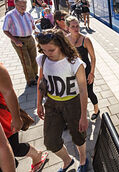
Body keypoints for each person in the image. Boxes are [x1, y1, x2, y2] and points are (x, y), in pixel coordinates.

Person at [36, 29, 89, 172]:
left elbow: (83, 90)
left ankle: (83, 159)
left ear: (61, 45)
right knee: (50, 142)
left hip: (72, 103)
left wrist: (83, 116)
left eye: (51, 50)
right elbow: (41, 81)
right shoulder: (43, 59)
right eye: (43, 50)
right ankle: (68, 161)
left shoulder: (74, 63)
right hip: (52, 104)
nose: (47, 53)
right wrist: (39, 103)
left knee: (78, 136)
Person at [0, 63, 48, 172]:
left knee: (13, 148)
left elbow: (9, 92)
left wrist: (16, 118)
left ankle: (37, 155)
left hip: (4, 119)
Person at [66, 16, 100, 120]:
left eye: (77, 26)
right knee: (77, 93)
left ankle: (96, 110)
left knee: (89, 92)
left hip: (86, 71)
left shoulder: (86, 40)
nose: (76, 28)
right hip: (73, 72)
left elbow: (93, 58)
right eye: (73, 26)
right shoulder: (66, 39)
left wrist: (92, 73)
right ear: (68, 28)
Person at [3, 0, 38, 87]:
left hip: (30, 38)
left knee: (34, 58)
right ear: (16, 4)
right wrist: (15, 40)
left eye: (25, 6)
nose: (23, 8)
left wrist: (34, 28)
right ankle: (30, 80)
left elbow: (32, 24)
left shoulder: (27, 14)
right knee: (26, 61)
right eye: (21, 6)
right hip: (19, 40)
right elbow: (5, 30)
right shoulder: (10, 15)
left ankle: (35, 75)